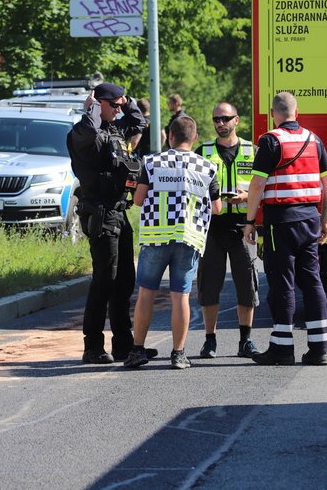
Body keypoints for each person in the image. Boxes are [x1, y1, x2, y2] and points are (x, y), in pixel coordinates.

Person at [243, 92, 327, 366]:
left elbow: (257, 185)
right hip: (310, 219)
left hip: (280, 221)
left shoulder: (270, 140)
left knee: (282, 282)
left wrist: (250, 221)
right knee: (312, 281)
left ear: (274, 113)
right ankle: (319, 349)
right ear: (297, 112)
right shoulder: (313, 140)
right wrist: (325, 220)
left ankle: (282, 349)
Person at [124, 115, 221, 370]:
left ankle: (137, 350)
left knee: (146, 293)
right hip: (189, 237)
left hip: (156, 236)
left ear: (169, 135)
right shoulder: (207, 167)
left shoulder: (152, 162)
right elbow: (217, 208)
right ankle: (178, 354)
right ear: (195, 138)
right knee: (181, 297)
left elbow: (137, 200)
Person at [67, 82, 150, 364]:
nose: (117, 110)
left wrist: (127, 103)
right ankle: (93, 347)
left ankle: (124, 346)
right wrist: (90, 107)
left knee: (125, 280)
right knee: (104, 281)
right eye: (112, 105)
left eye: (119, 105)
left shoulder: (115, 128)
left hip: (119, 212)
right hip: (100, 213)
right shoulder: (83, 133)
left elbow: (139, 122)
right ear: (97, 103)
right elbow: (91, 130)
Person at [195, 102, 260, 359]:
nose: (220, 123)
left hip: (243, 226)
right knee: (209, 286)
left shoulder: (252, 150)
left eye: (225, 118)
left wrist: (246, 198)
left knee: (247, 285)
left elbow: (262, 187)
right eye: (216, 120)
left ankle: (246, 340)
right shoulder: (204, 151)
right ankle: (209, 340)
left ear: (237, 120)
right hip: (211, 228)